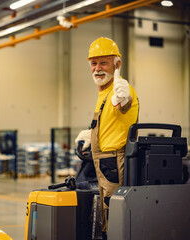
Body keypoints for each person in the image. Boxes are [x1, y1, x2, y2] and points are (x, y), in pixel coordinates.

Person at [74, 37, 139, 239]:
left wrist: (125, 98)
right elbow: (108, 125)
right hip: (101, 161)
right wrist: (90, 135)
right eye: (94, 63)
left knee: (114, 214)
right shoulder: (103, 93)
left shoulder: (120, 90)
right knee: (104, 211)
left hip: (113, 162)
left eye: (104, 62)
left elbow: (123, 104)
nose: (97, 68)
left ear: (117, 64)